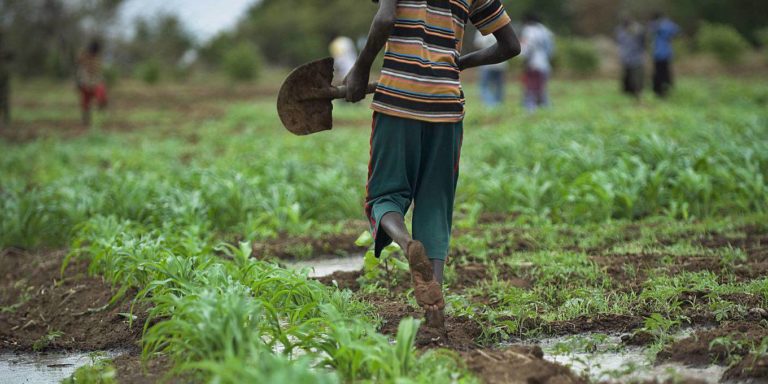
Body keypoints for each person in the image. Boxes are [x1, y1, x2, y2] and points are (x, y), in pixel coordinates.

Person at [345, 0, 520, 326]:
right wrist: (459, 63)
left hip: (398, 100)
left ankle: (409, 244)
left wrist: (360, 68)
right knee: (435, 207)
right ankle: (435, 314)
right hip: (445, 104)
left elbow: (385, 17)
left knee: (384, 198)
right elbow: (510, 45)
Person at [520, 12, 554, 112]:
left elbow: (527, 48)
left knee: (531, 89)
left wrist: (523, 57)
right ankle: (546, 109)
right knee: (542, 88)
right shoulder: (545, 30)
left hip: (533, 63)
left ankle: (531, 110)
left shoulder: (529, 30)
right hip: (544, 63)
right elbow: (551, 49)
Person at [76, 39, 108, 125]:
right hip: (85, 82)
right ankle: (85, 119)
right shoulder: (84, 56)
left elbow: (99, 71)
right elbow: (81, 68)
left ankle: (100, 109)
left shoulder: (97, 58)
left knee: (100, 97)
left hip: (95, 82)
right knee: (85, 102)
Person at [649, 12, 680, 98]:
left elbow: (676, 31)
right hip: (663, 54)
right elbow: (676, 31)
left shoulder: (659, 25)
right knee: (663, 73)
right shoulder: (666, 25)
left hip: (661, 54)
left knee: (661, 74)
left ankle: (662, 91)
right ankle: (662, 90)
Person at [474, 30, 508, 107]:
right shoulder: (501, 27)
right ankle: (498, 105)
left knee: (485, 86)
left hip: (487, 63)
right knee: (498, 86)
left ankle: (490, 105)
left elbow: (478, 43)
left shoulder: (482, 28)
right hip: (501, 63)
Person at [616, 18, 646, 99]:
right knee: (627, 77)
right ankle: (628, 92)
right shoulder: (621, 32)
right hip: (626, 58)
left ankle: (638, 92)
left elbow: (642, 37)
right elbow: (620, 43)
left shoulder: (637, 31)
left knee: (637, 77)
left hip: (636, 59)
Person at [0, 29, 12, 127]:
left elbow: (11, 55)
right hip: (4, 76)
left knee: (4, 99)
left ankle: (6, 120)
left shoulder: (5, 47)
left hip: (4, 77)